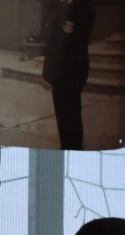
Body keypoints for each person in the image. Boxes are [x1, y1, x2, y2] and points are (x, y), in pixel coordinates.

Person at [42, 0, 94, 151]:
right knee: (70, 117)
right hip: (72, 71)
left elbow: (62, 46)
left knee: (67, 119)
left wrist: (49, 74)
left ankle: (70, 148)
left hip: (66, 73)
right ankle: (71, 146)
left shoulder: (75, 7)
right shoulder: (75, 5)